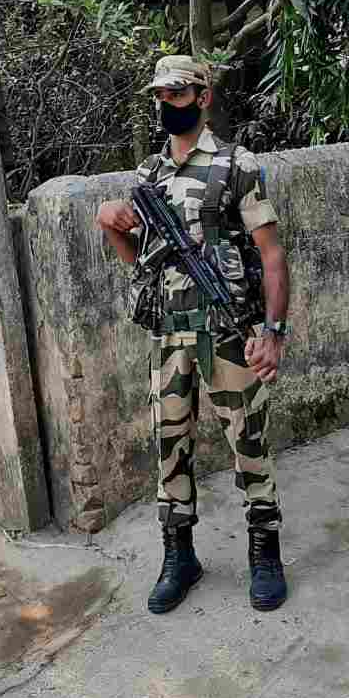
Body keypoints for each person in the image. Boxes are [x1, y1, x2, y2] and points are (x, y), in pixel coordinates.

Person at [96, 56, 292, 614]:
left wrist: (273, 333)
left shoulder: (235, 164)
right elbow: (142, 268)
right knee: (169, 448)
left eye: (178, 94)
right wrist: (113, 227)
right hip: (169, 335)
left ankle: (264, 551)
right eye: (160, 95)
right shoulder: (149, 175)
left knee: (249, 442)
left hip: (228, 334)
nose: (167, 105)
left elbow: (271, 255)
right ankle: (179, 556)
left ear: (203, 97)